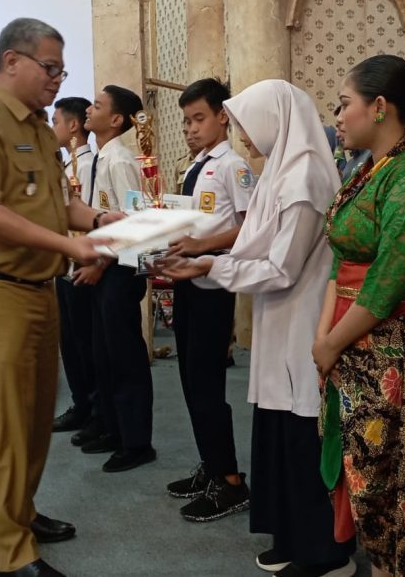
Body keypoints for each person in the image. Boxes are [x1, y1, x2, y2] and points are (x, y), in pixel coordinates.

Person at [0, 17, 117, 577]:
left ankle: (21, 511)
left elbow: (55, 206)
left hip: (38, 289)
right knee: (6, 426)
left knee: (35, 420)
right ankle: (9, 556)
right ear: (11, 62)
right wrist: (71, 245)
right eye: (50, 67)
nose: (58, 79)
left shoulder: (41, 130)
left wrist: (109, 221)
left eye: (63, 69)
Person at [162, 80, 356, 577]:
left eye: (247, 122)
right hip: (276, 315)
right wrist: (202, 259)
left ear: (276, 119)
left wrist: (210, 268)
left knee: (301, 430)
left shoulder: (306, 177)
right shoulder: (278, 173)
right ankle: (293, 536)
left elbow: (282, 267)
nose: (242, 134)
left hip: (300, 318)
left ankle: (326, 552)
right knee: (277, 427)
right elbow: (251, 245)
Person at [314, 55, 405, 576]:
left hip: (395, 353)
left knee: (393, 484)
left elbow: (388, 283)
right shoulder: (368, 170)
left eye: (344, 104)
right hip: (355, 346)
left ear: (377, 107)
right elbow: (340, 260)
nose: (339, 116)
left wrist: (329, 343)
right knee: (360, 473)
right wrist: (324, 335)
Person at [165, 78, 252, 522]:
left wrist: (200, 248)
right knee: (189, 380)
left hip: (213, 281)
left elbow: (249, 225)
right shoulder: (196, 165)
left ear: (222, 116)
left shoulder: (233, 165)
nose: (191, 128)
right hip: (187, 277)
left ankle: (231, 481)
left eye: (199, 118)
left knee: (208, 385)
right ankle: (211, 464)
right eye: (186, 121)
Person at [77, 84, 156, 472]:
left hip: (118, 270)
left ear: (116, 119)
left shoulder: (120, 161)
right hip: (100, 265)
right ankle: (110, 426)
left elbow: (132, 224)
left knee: (124, 357)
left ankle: (137, 441)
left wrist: (99, 263)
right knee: (102, 353)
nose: (89, 111)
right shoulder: (98, 158)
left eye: (97, 106)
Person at [49, 96, 98, 434]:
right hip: (64, 265)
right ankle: (81, 404)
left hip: (86, 263)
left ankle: (96, 409)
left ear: (73, 126)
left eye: (55, 121)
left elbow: (93, 211)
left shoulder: (91, 163)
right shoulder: (65, 168)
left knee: (87, 342)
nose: (51, 128)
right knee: (70, 342)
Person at [174, 121, 200, 194]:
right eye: (186, 133)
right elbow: (177, 196)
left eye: (194, 133)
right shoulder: (180, 164)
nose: (189, 138)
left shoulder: (214, 162)